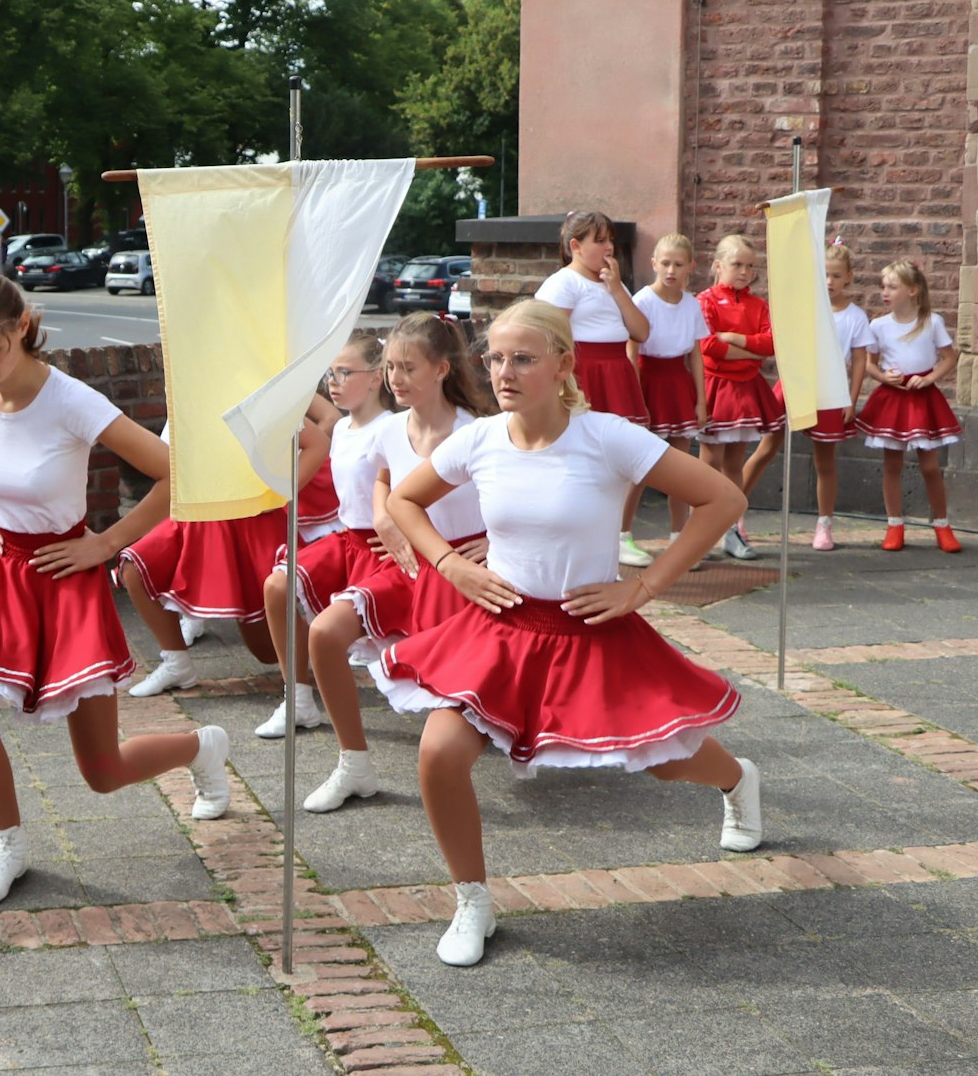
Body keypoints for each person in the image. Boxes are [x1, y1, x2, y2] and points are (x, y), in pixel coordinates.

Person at [374, 300, 761, 968]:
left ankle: (737, 779)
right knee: (440, 752)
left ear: (562, 364)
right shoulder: (479, 439)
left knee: (665, 759)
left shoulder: (608, 436)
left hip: (589, 628)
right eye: (494, 358)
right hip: (500, 627)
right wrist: (448, 566)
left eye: (522, 357)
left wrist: (642, 587)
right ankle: (472, 900)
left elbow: (723, 499)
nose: (503, 371)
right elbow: (404, 500)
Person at [0, 272, 232, 907]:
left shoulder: (73, 401)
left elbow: (175, 475)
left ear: (22, 327)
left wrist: (107, 544)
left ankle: (200, 748)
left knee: (103, 773)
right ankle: (9, 844)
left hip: (64, 577)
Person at [301, 314, 493, 813]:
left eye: (407, 368)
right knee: (324, 632)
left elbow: (523, 494)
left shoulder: (478, 432)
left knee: (465, 700)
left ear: (442, 370)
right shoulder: (391, 430)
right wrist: (385, 514)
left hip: (463, 572)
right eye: (389, 367)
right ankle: (354, 764)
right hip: (408, 566)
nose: (395, 379)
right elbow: (385, 478)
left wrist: (493, 540)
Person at [116, 419, 330, 696]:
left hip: (252, 521)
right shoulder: (181, 390)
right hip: (197, 516)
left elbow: (318, 443)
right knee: (134, 567)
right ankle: (176, 662)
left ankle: (309, 676)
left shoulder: (249, 384)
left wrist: (278, 494)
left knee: (267, 649)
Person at [256, 337, 400, 744]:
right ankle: (297, 697)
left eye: (344, 373)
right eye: (329, 374)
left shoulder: (393, 428)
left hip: (381, 548)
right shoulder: (340, 429)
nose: (332, 383)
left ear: (375, 378)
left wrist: (399, 529)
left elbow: (409, 491)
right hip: (346, 539)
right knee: (278, 585)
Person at [533, 211, 655, 568]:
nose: (608, 248)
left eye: (610, 240)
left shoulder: (610, 283)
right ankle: (581, 538)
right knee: (583, 459)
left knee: (628, 456)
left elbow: (642, 331)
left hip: (618, 371)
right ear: (576, 246)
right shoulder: (564, 283)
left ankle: (620, 533)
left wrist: (617, 288)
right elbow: (547, 334)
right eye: (599, 240)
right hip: (586, 372)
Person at [855, 259, 962, 552]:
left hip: (923, 398)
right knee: (892, 464)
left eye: (892, 286)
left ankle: (942, 524)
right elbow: (868, 364)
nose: (885, 292)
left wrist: (930, 379)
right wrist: (884, 377)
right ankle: (894, 525)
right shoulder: (878, 326)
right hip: (894, 398)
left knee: (930, 465)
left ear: (913, 290)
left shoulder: (932, 322)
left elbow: (950, 358)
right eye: (883, 287)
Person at [696, 235, 783, 560]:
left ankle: (731, 529)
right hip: (715, 388)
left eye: (750, 266)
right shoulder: (704, 300)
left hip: (746, 390)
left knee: (734, 462)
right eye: (737, 264)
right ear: (718, 265)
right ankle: (700, 528)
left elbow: (771, 344)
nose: (744, 271)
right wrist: (748, 350)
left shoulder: (759, 305)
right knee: (710, 461)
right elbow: (708, 347)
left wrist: (732, 337)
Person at [629, 233, 710, 553]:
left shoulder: (692, 305)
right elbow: (631, 352)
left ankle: (680, 536)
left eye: (678, 264)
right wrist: (635, 399)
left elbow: (696, 355)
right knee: (638, 465)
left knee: (679, 467)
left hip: (678, 383)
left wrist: (701, 400)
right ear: (654, 264)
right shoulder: (642, 301)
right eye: (665, 263)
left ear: (690, 266)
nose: (671, 270)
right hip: (649, 381)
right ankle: (622, 535)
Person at [799, 242, 872, 551]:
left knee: (825, 461)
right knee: (767, 446)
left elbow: (858, 361)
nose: (829, 282)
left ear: (848, 278)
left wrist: (851, 399)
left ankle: (824, 523)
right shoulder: (807, 307)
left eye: (836, 276)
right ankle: (735, 519)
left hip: (832, 388)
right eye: (824, 275)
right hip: (801, 383)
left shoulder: (856, 317)